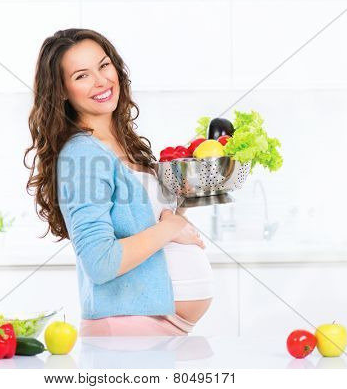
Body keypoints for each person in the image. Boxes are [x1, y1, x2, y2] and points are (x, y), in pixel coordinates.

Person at [25, 28, 214, 336]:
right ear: (61, 90)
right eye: (81, 76)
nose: (101, 81)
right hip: (129, 331)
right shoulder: (83, 154)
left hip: (160, 329)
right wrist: (169, 228)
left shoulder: (125, 143)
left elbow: (148, 232)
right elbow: (101, 263)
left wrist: (180, 210)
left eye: (103, 65)